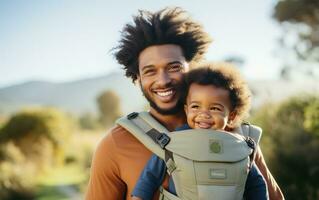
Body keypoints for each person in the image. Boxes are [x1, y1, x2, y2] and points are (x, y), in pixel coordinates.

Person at [85, 7, 284, 200]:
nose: (162, 80)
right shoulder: (116, 144)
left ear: (192, 67)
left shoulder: (238, 138)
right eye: (150, 71)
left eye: (174, 67)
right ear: (137, 78)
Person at [131, 63, 268, 200]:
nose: (204, 114)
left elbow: (256, 184)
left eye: (214, 108)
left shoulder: (238, 146)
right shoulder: (174, 141)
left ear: (231, 116)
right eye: (195, 106)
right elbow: (150, 176)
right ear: (186, 110)